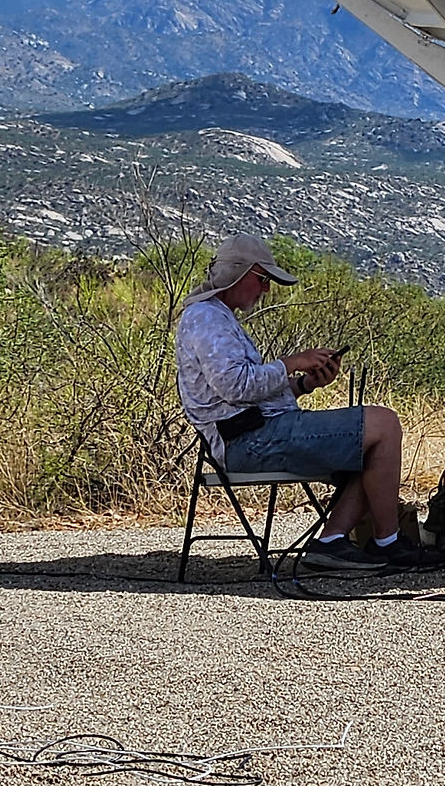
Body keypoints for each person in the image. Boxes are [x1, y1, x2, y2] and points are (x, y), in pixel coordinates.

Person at [177, 233, 423, 570]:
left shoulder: (216, 316)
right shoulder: (206, 317)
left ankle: (333, 542)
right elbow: (235, 386)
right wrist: (292, 363)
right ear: (238, 272)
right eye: (262, 279)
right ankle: (386, 543)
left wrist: (304, 384)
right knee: (384, 424)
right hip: (248, 440)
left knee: (373, 441)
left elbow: (242, 393)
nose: (266, 289)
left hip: (254, 434)